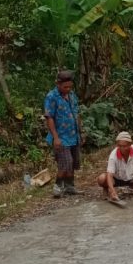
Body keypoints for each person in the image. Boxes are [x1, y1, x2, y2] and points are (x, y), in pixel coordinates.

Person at [44, 69, 85, 198]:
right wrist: (56, 138)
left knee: (73, 162)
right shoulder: (52, 96)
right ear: (58, 84)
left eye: (70, 86)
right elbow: (49, 117)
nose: (68, 89)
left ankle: (69, 186)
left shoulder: (72, 95)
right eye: (65, 87)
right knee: (65, 162)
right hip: (61, 136)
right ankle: (57, 186)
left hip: (74, 135)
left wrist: (80, 132)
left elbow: (76, 113)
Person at [97, 131, 133, 207]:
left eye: (125, 146)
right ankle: (107, 189)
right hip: (117, 179)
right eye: (120, 146)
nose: (122, 148)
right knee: (102, 178)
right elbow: (109, 175)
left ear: (130, 144)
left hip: (131, 177)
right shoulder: (113, 156)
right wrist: (112, 190)